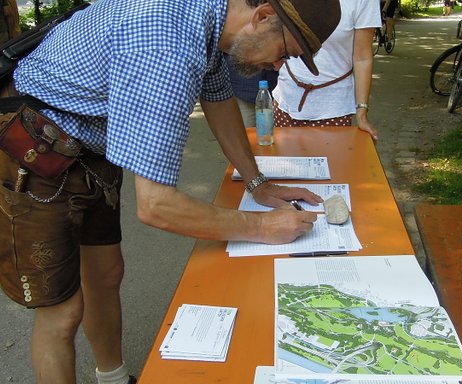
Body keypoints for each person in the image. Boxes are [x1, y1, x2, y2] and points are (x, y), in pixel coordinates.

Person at [0, 0, 341, 383]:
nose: (279, 68)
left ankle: (112, 379)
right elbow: (157, 206)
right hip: (31, 151)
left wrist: (257, 183)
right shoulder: (166, 44)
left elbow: (219, 99)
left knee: (107, 274)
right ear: (261, 16)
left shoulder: (207, 19)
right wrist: (262, 228)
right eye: (284, 54)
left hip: (88, 147)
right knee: (62, 314)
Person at [273, 0, 380, 140]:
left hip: (333, 109)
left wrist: (362, 111)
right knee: (285, 161)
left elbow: (362, 58)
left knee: (333, 162)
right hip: (285, 101)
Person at [226, 54, 279, 127]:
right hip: (242, 89)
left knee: (269, 133)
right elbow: (223, 45)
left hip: (275, 89)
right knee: (243, 132)